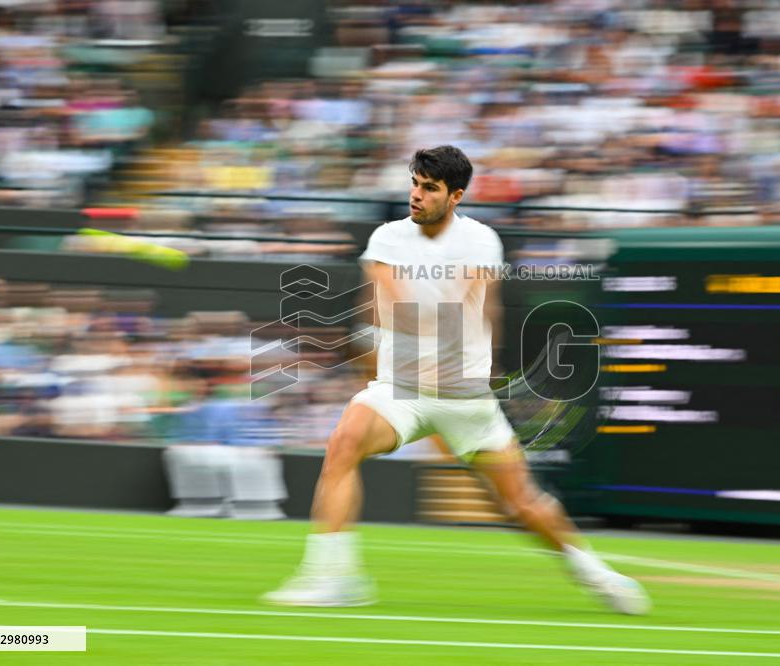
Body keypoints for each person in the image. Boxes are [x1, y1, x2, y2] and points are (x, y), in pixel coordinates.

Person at [264, 145, 650, 614]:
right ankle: (334, 578)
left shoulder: (482, 241)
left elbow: (475, 303)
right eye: (415, 184)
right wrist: (412, 338)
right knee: (343, 444)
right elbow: (385, 302)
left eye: (430, 188)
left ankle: (595, 574)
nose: (417, 195)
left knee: (521, 505)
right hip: (401, 390)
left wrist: (451, 343)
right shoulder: (387, 237)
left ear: (455, 196)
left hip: (464, 396)